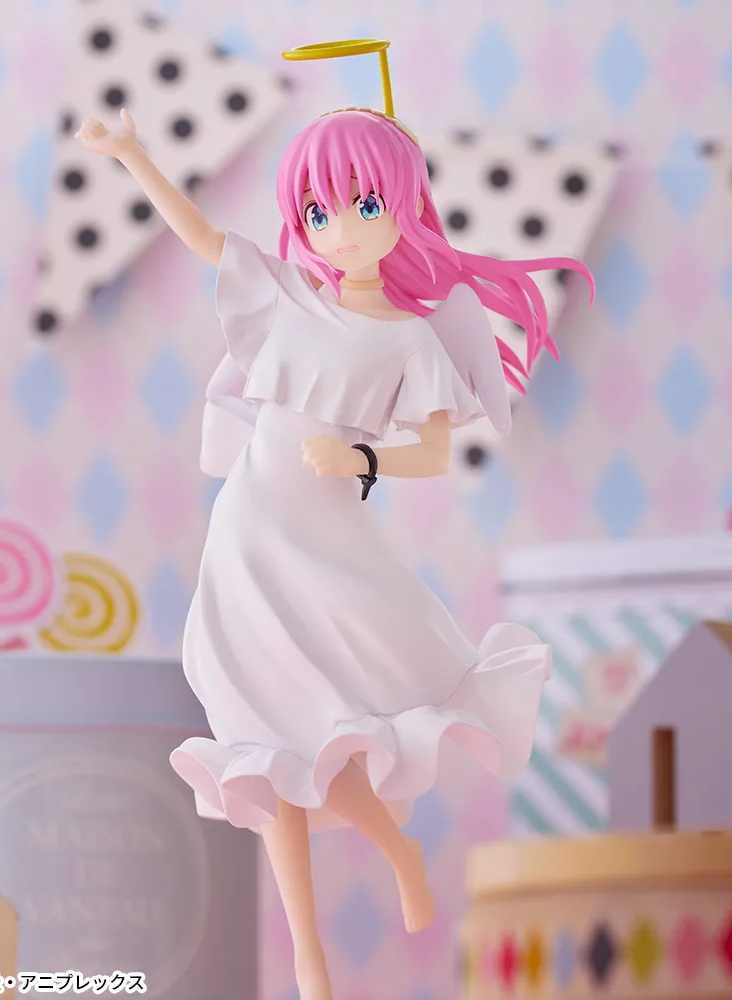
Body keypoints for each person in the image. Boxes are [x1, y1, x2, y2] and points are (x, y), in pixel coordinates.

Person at [77, 69, 592, 1000]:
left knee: (329, 727)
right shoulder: (286, 297)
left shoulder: (408, 339)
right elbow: (201, 237)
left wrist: (359, 459)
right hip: (247, 532)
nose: (340, 230)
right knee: (266, 741)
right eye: (318, 212)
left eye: (363, 205)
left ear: (404, 207)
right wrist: (133, 156)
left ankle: (396, 851)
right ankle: (309, 964)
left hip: (325, 538)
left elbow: (433, 451)